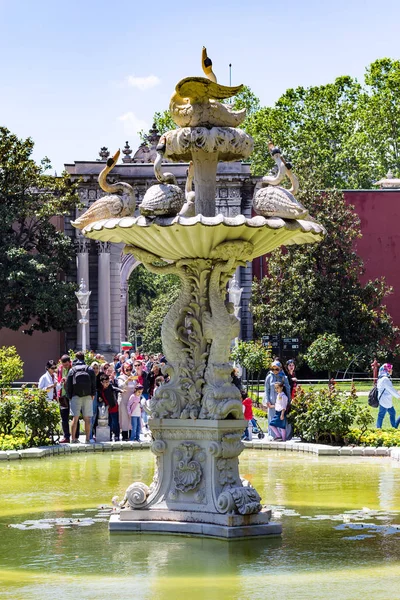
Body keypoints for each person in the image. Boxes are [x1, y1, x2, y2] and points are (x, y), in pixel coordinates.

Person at [66, 351, 96, 443]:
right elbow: (93, 383)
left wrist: (70, 396)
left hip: (75, 395)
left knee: (75, 418)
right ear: (84, 358)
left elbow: (68, 385)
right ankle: (87, 439)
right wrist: (93, 394)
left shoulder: (72, 370)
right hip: (87, 395)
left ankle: (73, 439)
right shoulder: (89, 369)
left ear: (76, 358)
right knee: (87, 418)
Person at [263, 361, 290, 438]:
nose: (274, 371)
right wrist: (267, 400)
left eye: (277, 369)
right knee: (272, 418)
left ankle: (282, 436)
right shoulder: (269, 377)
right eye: (273, 369)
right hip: (272, 402)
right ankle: (272, 435)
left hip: (281, 402)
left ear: (280, 369)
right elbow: (266, 390)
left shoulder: (284, 377)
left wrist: (288, 401)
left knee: (281, 418)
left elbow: (287, 389)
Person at [376, 363, 400, 429]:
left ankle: (393, 427)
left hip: (385, 400)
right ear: (387, 370)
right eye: (390, 369)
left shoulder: (381, 379)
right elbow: (391, 389)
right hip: (385, 400)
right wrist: (398, 396)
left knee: (392, 413)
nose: (391, 370)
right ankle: (379, 428)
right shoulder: (385, 379)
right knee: (381, 415)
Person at [98, 373, 120, 441]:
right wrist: (100, 398)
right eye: (105, 382)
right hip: (108, 407)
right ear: (101, 382)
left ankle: (116, 435)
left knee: (115, 421)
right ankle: (109, 435)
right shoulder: (101, 389)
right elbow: (101, 396)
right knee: (109, 422)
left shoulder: (110, 387)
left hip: (114, 406)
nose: (106, 384)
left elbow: (115, 388)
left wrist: (121, 390)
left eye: (107, 382)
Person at [117, 362, 136, 440]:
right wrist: (127, 381)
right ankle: (124, 435)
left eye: (130, 369)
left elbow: (136, 386)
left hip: (132, 401)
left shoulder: (134, 377)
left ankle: (132, 435)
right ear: (124, 370)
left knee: (131, 417)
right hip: (124, 400)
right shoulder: (120, 377)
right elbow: (120, 386)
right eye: (127, 370)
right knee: (124, 418)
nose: (129, 371)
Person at [56, 355, 72, 443]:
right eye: (64, 365)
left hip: (72, 396)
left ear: (70, 362)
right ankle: (66, 436)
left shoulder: (73, 368)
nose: (65, 366)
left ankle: (75, 436)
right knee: (64, 418)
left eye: (67, 365)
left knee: (74, 416)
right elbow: (58, 381)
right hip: (62, 395)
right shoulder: (59, 369)